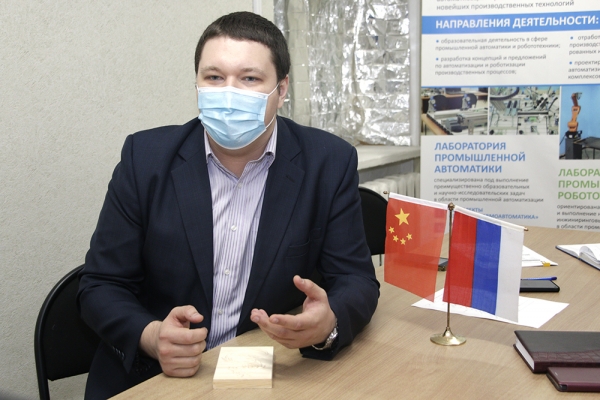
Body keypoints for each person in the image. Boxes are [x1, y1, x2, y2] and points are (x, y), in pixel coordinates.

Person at [78, 11, 379, 399]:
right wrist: (151, 336)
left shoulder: (328, 162)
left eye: (249, 78)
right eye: (215, 77)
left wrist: (328, 322)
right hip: (155, 380)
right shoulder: (145, 159)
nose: (229, 93)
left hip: (269, 378)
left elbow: (356, 280)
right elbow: (100, 284)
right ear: (197, 83)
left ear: (281, 89)